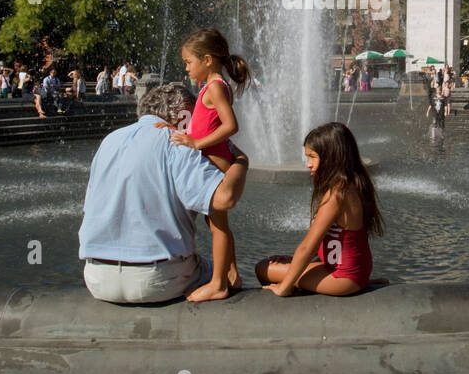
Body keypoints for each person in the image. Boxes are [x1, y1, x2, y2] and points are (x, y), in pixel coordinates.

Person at [78, 84, 249, 305]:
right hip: (157, 278)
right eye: (193, 116)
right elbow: (224, 199)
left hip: (96, 277)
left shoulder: (110, 141)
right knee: (221, 274)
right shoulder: (175, 142)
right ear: (183, 114)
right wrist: (241, 162)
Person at [168, 28, 252, 303]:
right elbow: (202, 125)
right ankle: (232, 275)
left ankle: (218, 284)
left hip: (216, 165)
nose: (186, 68)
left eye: (188, 62)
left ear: (207, 60)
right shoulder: (211, 86)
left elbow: (231, 125)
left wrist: (196, 144)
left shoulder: (215, 87)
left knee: (217, 226)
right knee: (218, 224)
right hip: (216, 163)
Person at [256, 122, 382, 297]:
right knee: (279, 264)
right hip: (350, 272)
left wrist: (284, 286)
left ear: (331, 157)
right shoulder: (353, 184)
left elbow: (308, 246)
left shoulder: (337, 193)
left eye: (312, 157)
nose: (308, 164)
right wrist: (293, 261)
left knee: (263, 268)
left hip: (343, 278)